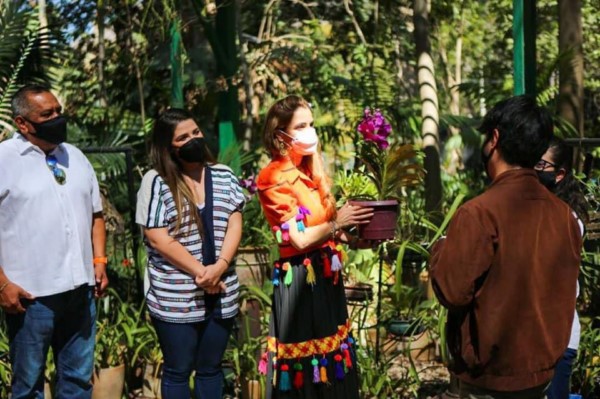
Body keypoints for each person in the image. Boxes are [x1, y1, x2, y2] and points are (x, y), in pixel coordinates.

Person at [429, 95, 582, 399]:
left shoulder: (479, 212)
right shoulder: (563, 215)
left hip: (486, 380)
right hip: (540, 378)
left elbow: (452, 290)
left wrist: (440, 250)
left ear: (494, 140)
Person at [256, 95, 374, 399]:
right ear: (280, 134)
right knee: (306, 361)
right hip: (300, 282)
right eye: (300, 126)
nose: (309, 132)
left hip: (324, 278)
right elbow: (300, 239)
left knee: (333, 353)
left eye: (311, 124)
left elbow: (323, 231)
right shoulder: (273, 177)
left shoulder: (310, 172)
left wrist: (354, 236)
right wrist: (337, 224)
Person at [0, 84, 108, 398]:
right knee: (29, 387)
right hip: (31, 299)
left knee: (76, 382)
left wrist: (99, 261)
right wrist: (2, 283)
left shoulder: (74, 157)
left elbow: (96, 215)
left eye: (58, 110)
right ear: (22, 123)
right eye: (46, 114)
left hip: (81, 292)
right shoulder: (4, 160)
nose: (57, 118)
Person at [136, 108, 245, 399]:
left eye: (195, 132)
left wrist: (219, 267)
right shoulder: (156, 181)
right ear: (167, 146)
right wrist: (203, 273)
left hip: (221, 290)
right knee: (178, 369)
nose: (193, 139)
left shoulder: (223, 174)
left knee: (211, 368)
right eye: (182, 137)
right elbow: (157, 238)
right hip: (177, 297)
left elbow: (235, 219)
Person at [535, 138, 588, 399]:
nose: (534, 169)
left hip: (558, 338)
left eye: (541, 164)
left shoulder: (569, 221)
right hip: (530, 337)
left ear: (560, 174)